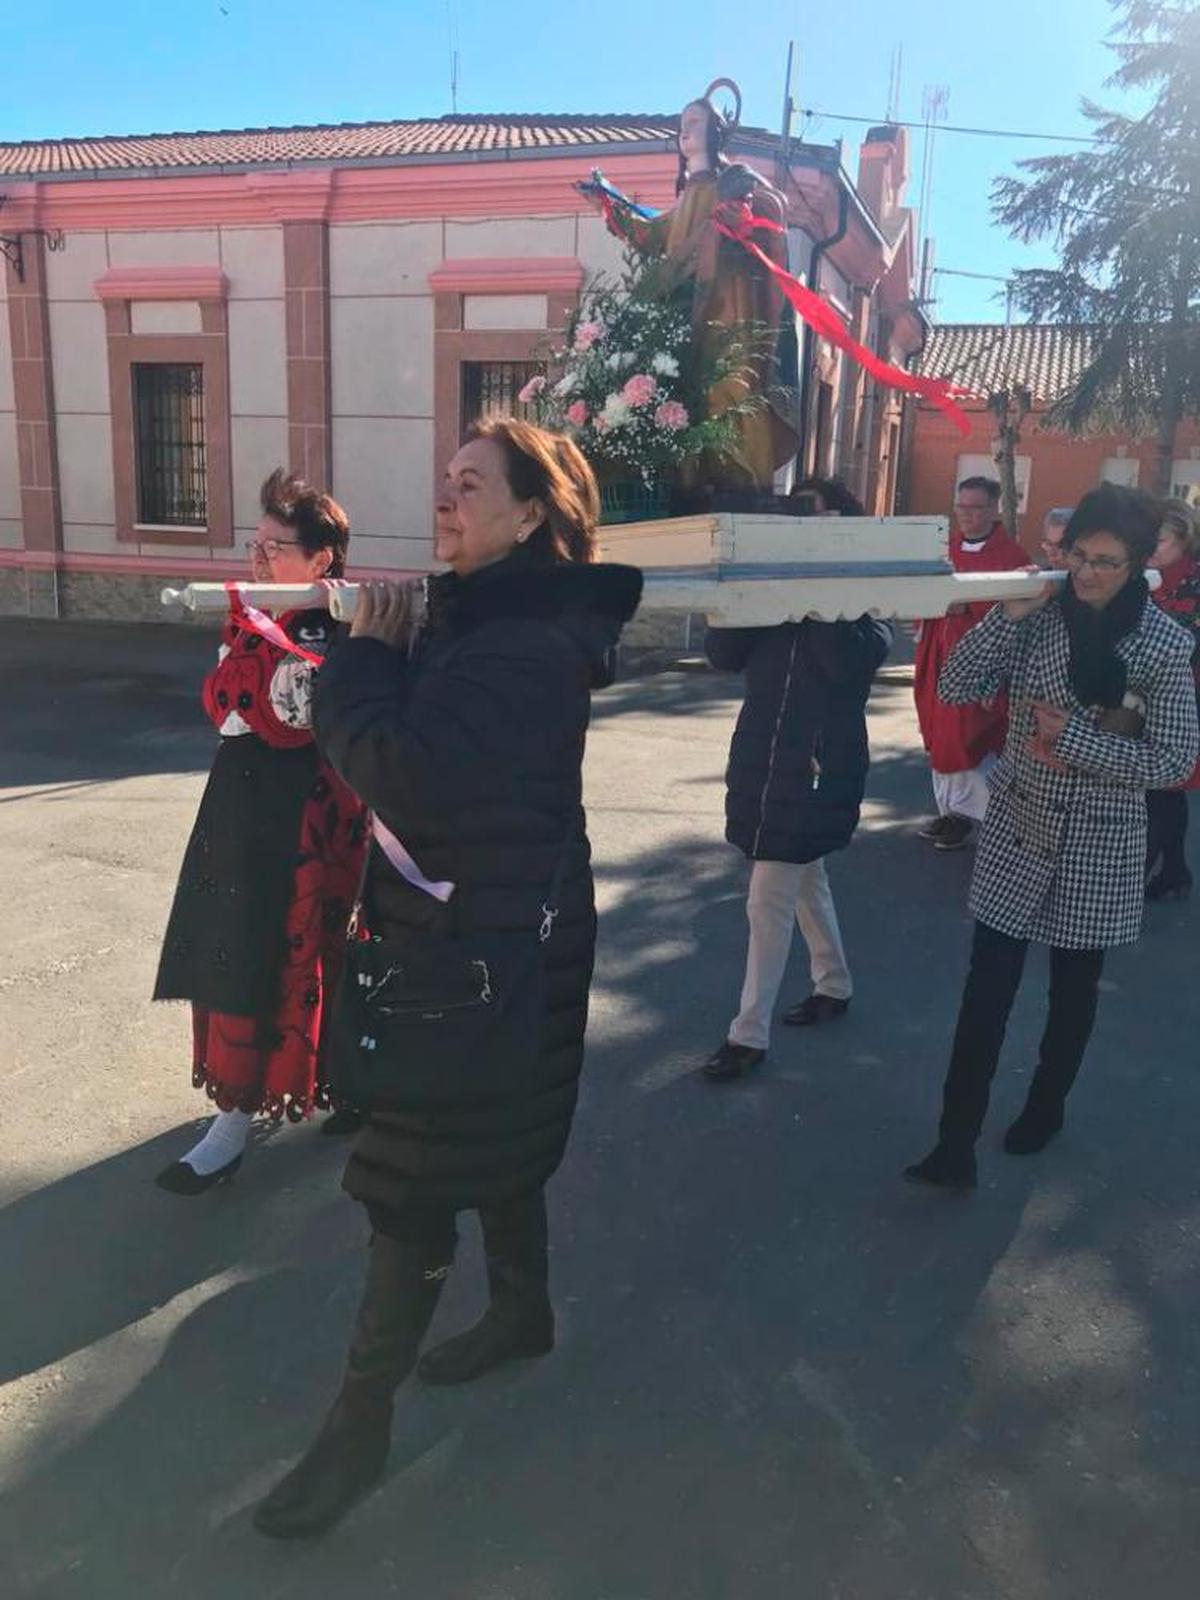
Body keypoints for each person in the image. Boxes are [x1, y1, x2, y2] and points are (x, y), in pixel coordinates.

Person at [252, 421, 642, 1540]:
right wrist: (396, 632)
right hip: (497, 937)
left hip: (482, 948)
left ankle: (356, 1432)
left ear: (532, 515)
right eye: (447, 479)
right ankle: (522, 1312)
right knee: (497, 1130)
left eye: (472, 485)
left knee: (413, 1183)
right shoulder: (493, 615)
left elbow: (408, 774)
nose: (446, 497)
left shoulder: (519, 644)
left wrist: (363, 661)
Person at [905, 484, 1199, 1190]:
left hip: (1101, 840)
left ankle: (1046, 1106)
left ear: (1135, 565)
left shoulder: (1161, 642)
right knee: (986, 994)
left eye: (1108, 561)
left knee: (1073, 994)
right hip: (1017, 824)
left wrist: (1080, 746)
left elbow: (1174, 760)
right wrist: (1008, 618)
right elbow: (957, 684)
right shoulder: (1040, 615)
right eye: (1080, 557)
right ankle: (954, 1143)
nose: (1089, 573)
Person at [153, 471, 367, 1194]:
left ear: (320, 561)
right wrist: (244, 680)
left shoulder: (342, 622)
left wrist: (247, 679)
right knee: (237, 948)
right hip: (244, 808)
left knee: (314, 949)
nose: (258, 558)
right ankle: (235, 1112)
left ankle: (338, 1082)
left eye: (276, 547)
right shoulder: (255, 612)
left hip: (309, 816)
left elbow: (281, 718)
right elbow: (225, 706)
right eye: (258, 542)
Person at [701, 476, 893, 1080]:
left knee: (769, 896)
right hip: (762, 753)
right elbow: (723, 656)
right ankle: (833, 984)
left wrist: (815, 590)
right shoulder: (769, 587)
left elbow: (845, 662)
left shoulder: (869, 600)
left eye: (809, 518)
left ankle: (747, 1034)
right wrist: (744, 593)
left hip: (818, 762)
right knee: (804, 877)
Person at [582, 81, 798, 492]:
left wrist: (735, 220)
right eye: (682, 123)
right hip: (687, 312)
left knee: (729, 386)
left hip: (728, 305)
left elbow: (767, 215)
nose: (686, 129)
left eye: (695, 122)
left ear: (715, 131)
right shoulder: (687, 199)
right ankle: (697, 475)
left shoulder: (734, 179)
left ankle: (739, 478)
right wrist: (608, 202)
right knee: (691, 392)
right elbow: (654, 235)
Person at [914, 476, 1030, 851]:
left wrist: (970, 606)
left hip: (979, 664)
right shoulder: (943, 551)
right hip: (937, 654)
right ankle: (951, 811)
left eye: (976, 507)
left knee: (968, 740)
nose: (967, 515)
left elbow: (1020, 610)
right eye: (962, 506)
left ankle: (992, 818)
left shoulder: (1012, 558)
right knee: (939, 735)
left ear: (994, 508)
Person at [1145, 498, 1200, 900]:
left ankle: (1130, 879)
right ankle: (1176, 871)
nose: (1150, 545)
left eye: (1159, 539)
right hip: (1142, 698)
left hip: (1186, 698)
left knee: (1160, 787)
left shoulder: (1195, 582)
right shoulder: (1143, 578)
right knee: (1163, 788)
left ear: (1183, 539)